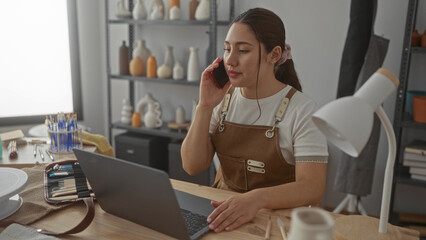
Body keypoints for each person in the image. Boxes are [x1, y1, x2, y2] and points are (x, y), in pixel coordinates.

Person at [181, 8, 329, 233]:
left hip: (276, 223)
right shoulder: (221, 100)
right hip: (222, 215)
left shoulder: (303, 110)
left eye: (243, 50)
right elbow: (192, 166)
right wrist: (204, 106)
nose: (230, 60)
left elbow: (312, 187)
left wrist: (256, 199)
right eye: (227, 49)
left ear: (274, 55)